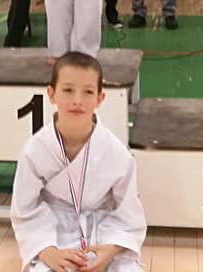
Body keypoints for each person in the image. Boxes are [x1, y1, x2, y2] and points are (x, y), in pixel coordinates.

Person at [11, 52, 146, 272]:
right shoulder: (35, 150)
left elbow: (128, 213)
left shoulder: (116, 152)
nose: (77, 100)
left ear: (100, 98)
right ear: (51, 94)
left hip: (103, 234)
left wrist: (110, 250)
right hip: (54, 233)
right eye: (68, 90)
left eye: (88, 92)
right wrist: (47, 251)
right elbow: (25, 209)